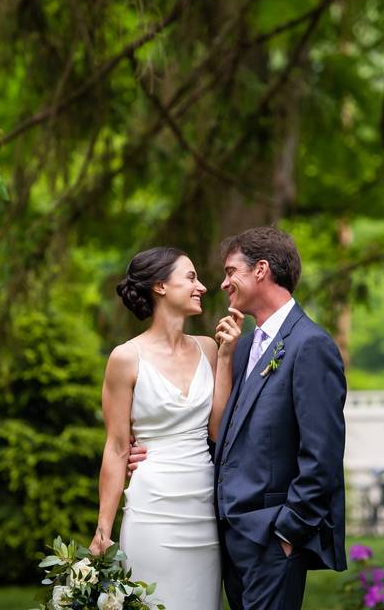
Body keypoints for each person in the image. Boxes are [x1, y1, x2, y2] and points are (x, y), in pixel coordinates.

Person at [130, 227, 348, 610]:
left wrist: (289, 532)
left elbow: (322, 454)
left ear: (261, 270)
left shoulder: (310, 346)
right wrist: (156, 453)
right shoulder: (243, 347)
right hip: (230, 541)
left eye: (232, 271)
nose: (224, 282)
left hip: (274, 540)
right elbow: (221, 433)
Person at [88, 247, 243, 609]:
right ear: (159, 286)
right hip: (153, 510)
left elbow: (218, 431)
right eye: (190, 277)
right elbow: (116, 447)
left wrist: (225, 357)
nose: (202, 286)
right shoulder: (126, 358)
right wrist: (102, 530)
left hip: (204, 509)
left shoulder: (208, 348)